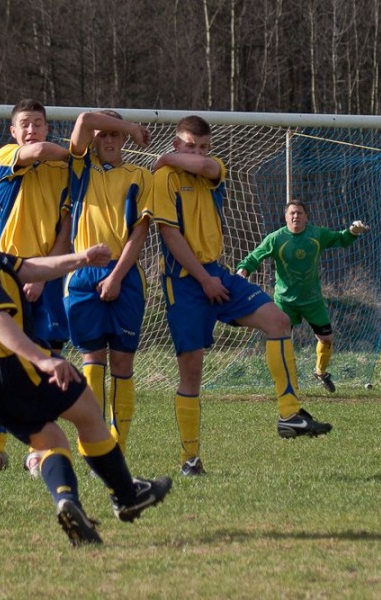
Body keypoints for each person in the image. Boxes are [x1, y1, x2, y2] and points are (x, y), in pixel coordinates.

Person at [0, 164, 171, 546]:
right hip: (7, 367)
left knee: (50, 436)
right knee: (88, 410)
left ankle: (68, 503)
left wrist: (81, 259)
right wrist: (42, 359)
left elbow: (25, 269)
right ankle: (126, 496)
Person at [151, 116, 332, 476]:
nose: (198, 152)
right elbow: (171, 237)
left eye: (203, 146)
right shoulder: (163, 179)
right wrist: (203, 280)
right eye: (189, 145)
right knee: (192, 373)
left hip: (217, 274)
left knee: (278, 321)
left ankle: (289, 414)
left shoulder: (211, 168)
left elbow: (205, 165)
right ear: (176, 143)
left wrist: (170, 157)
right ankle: (190, 460)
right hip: (185, 282)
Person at [0, 99, 73, 477]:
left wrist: (45, 274)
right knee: (4, 365)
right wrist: (76, 152)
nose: (32, 130)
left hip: (48, 276)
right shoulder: (8, 156)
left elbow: (65, 233)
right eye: (25, 124)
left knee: (47, 367)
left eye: (39, 123)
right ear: (13, 132)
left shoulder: (63, 173)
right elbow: (37, 152)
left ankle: (39, 450)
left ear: (48, 127)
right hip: (10, 275)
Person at [64, 110, 153, 452]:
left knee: (122, 362)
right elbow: (85, 119)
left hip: (125, 273)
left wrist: (116, 276)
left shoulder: (140, 176)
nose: (110, 140)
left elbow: (140, 231)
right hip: (83, 274)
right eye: (104, 135)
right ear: (95, 140)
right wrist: (130, 125)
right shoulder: (79, 168)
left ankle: (119, 446)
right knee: (91, 359)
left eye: (116, 135)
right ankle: (92, 442)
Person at [237, 200, 369, 394]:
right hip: (285, 301)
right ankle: (286, 382)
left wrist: (353, 232)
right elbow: (254, 258)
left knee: (327, 338)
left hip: (312, 300)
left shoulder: (317, 234)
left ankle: (321, 372)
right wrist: (242, 273)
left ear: (306, 216)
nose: (295, 216)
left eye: (299, 213)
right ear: (285, 216)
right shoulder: (275, 238)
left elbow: (341, 239)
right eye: (292, 213)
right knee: (281, 341)